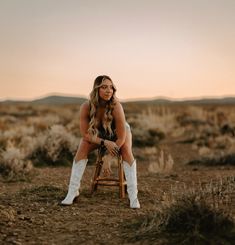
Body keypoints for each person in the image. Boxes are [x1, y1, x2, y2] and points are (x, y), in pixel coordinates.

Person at [61, 75, 140, 208]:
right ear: (96, 89)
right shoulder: (86, 106)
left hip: (119, 134)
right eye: (104, 87)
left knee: (126, 150)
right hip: (100, 135)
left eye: (111, 87)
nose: (108, 90)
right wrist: (105, 143)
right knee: (83, 145)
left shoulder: (116, 106)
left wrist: (108, 158)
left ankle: (133, 196)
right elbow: (85, 134)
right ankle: (72, 191)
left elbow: (121, 138)